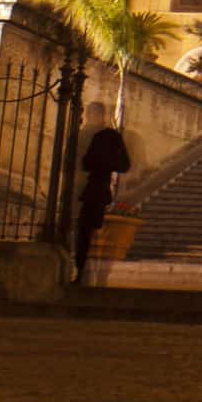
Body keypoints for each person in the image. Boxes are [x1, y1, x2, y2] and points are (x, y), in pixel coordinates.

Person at [74, 109, 131, 283]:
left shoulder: (98, 137)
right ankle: (95, 275)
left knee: (86, 234)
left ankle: (82, 272)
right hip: (99, 191)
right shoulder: (110, 138)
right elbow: (124, 165)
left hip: (93, 191)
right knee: (96, 236)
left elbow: (86, 163)